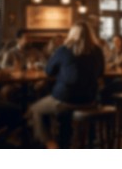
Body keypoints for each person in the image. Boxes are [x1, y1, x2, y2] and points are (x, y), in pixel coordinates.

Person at [28, 21, 104, 149]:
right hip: (90, 100)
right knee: (60, 113)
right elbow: (100, 72)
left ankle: (51, 144)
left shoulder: (64, 50)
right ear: (90, 35)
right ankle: (76, 139)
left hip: (65, 100)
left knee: (35, 109)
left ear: (72, 34)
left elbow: (48, 71)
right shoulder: (98, 51)